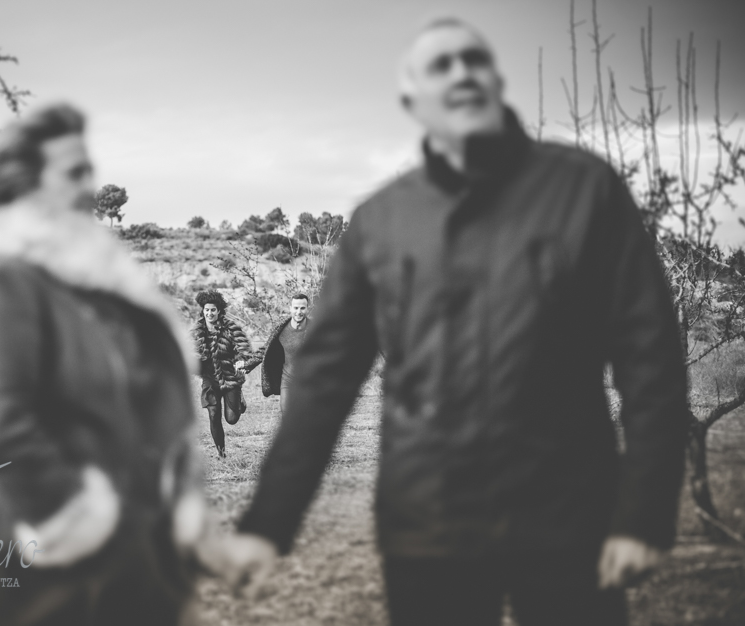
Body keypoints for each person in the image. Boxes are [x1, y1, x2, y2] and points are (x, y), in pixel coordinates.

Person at [219, 18, 688, 626]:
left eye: (474, 59)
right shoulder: (380, 221)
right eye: (440, 66)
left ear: (495, 80)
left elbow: (649, 356)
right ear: (413, 100)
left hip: (568, 514)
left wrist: (645, 511)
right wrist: (268, 521)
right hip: (427, 526)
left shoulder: (585, 189)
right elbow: (325, 380)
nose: (462, 72)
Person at [0, 103, 206, 626]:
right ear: (25, 183)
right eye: (74, 172)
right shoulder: (1, 286)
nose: (91, 186)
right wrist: (80, 516)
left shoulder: (91, 292)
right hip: (42, 586)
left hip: (130, 577)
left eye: (92, 170)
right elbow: (0, 430)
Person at [192, 290, 254, 459]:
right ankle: (222, 454)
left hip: (229, 377)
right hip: (209, 379)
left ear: (219, 311)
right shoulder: (197, 331)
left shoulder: (231, 328)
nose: (209, 313)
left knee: (231, 418)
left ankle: (239, 399)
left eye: (213, 310)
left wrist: (241, 360)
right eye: (206, 310)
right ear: (203, 310)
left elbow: (244, 349)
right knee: (213, 414)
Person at [243, 293, 311, 414]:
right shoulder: (281, 328)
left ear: (307, 309)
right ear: (290, 308)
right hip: (287, 380)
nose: (298, 312)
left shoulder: (315, 330)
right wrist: (246, 364)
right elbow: (265, 349)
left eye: (302, 308)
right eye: (296, 308)